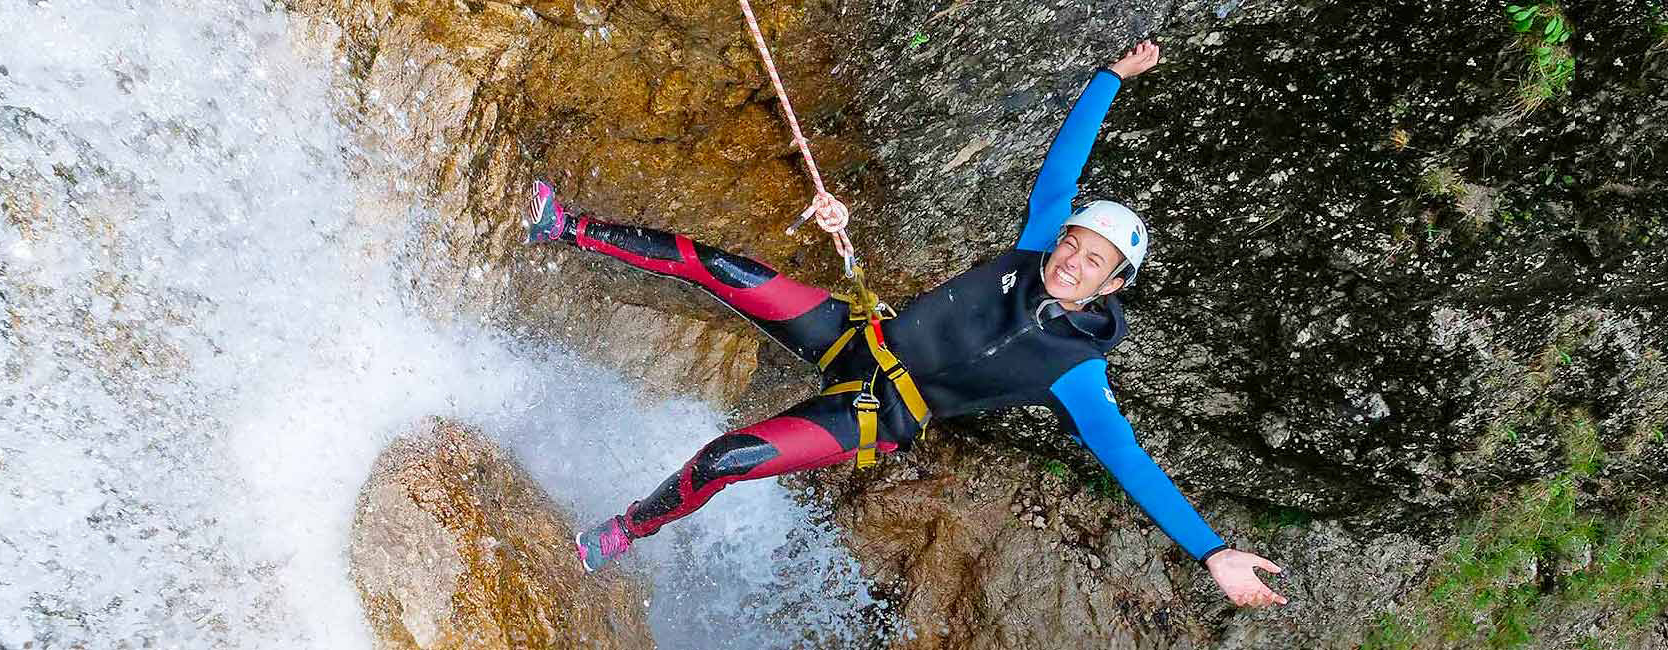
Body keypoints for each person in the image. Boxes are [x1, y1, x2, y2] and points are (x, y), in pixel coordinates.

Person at [528, 41, 1288, 608]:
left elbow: (1134, 465)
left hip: (876, 412)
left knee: (727, 460)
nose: (1073, 263)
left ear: (1115, 286)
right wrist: (1109, 81)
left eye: (1095, 263)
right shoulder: (1033, 248)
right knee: (720, 266)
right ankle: (561, 225)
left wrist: (1211, 551)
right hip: (859, 336)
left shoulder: (1079, 376)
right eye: (1074, 245)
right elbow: (1063, 163)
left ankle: (628, 529)